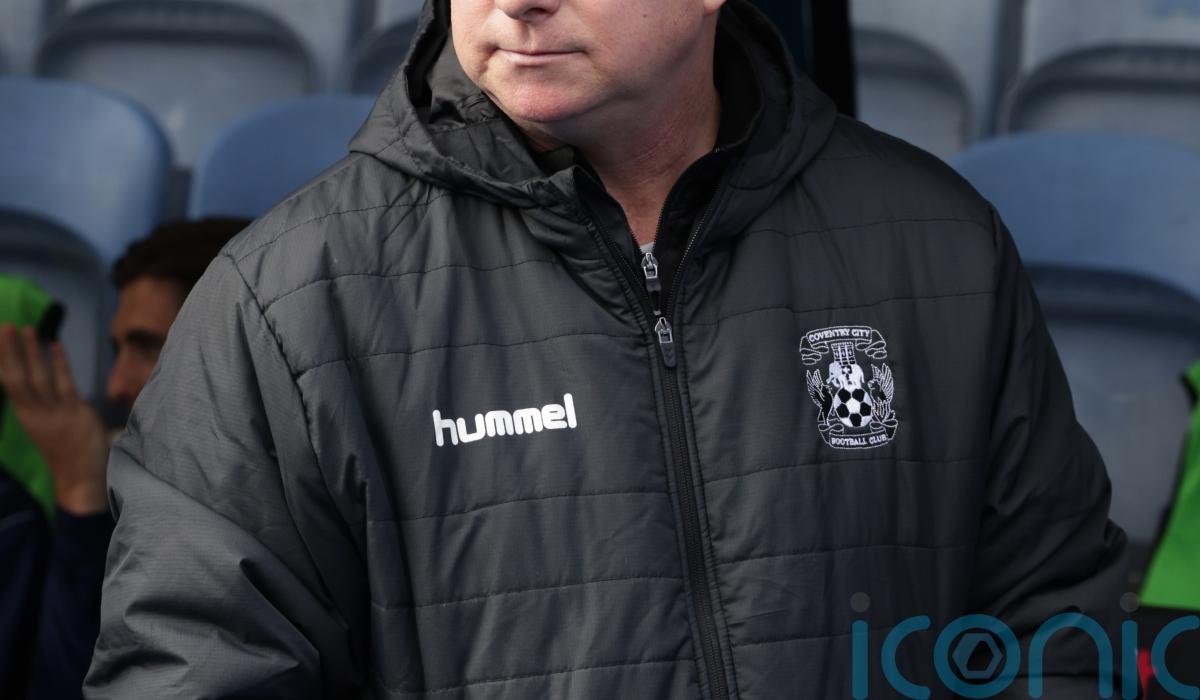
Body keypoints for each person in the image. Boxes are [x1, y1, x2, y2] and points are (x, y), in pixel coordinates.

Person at [85, 0, 1130, 697]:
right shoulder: (285, 301)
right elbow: (192, 670)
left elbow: (1054, 635)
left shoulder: (938, 245)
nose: (517, 0)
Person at [0, 218, 246, 699]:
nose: (115, 385)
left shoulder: (279, 527)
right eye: (118, 350)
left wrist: (81, 497)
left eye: (147, 346)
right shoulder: (141, 497)